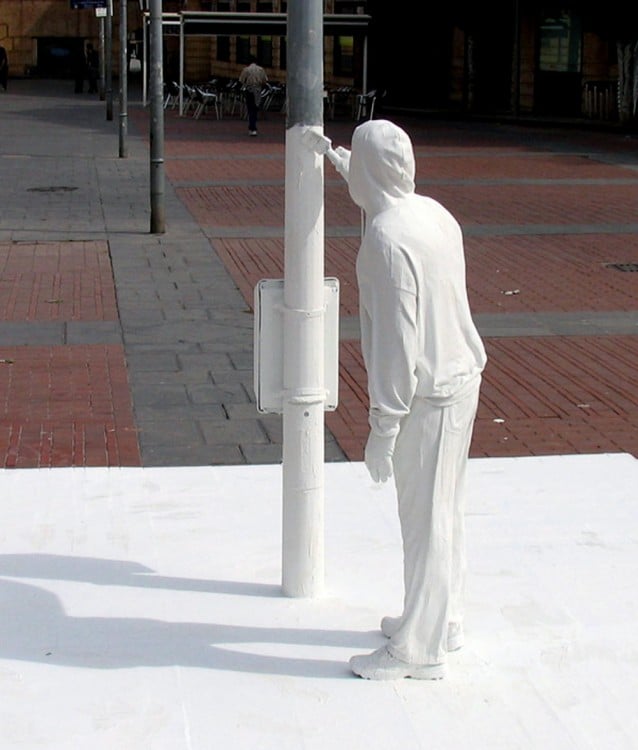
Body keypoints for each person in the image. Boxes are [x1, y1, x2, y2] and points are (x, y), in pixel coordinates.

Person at [305, 120, 487, 680]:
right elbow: (378, 192)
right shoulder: (432, 213)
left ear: (370, 171)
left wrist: (382, 432)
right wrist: (337, 156)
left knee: (424, 522)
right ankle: (441, 619)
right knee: (446, 512)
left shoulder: (384, 244)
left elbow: (394, 350)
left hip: (426, 398)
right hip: (462, 380)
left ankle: (417, 650)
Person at [238, 56, 268, 136]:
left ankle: (252, 127)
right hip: (257, 90)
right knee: (255, 108)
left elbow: (241, 80)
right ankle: (253, 127)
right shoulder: (261, 69)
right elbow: (264, 80)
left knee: (250, 108)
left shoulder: (246, 69)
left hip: (249, 90)